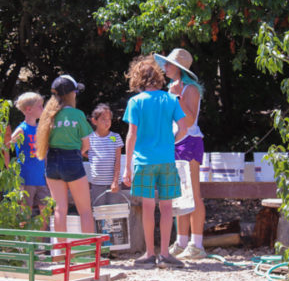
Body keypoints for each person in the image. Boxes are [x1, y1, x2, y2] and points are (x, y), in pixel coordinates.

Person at [122, 55, 188, 269]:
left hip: (144, 161)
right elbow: (184, 128)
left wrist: (127, 166)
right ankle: (166, 254)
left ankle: (149, 254)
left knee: (149, 208)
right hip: (167, 160)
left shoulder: (135, 102)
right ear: (159, 77)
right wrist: (171, 141)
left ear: (138, 78)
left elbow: (131, 135)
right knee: (167, 208)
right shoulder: (171, 99)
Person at [154, 48, 206, 259]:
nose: (164, 67)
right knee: (179, 195)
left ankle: (197, 244)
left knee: (193, 193)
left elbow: (191, 120)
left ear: (179, 68)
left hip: (190, 141)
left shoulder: (190, 89)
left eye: (168, 64)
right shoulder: (172, 89)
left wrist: (178, 97)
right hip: (176, 142)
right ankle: (182, 241)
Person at [35, 75, 95, 236]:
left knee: (60, 209)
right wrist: (80, 152)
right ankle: (87, 252)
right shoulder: (77, 115)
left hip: (52, 162)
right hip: (72, 160)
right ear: (71, 94)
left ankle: (60, 253)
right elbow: (86, 144)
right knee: (85, 210)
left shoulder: (48, 116)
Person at [11, 92, 50, 230]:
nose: (43, 109)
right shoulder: (22, 129)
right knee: (25, 211)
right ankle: (25, 243)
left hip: (40, 177)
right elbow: (8, 143)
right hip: (26, 178)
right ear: (29, 109)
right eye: (40, 106)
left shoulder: (40, 128)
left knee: (46, 210)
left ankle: (42, 243)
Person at [84, 103, 124, 206]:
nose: (107, 122)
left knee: (113, 212)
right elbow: (81, 152)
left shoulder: (114, 137)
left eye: (109, 119)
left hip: (113, 183)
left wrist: (115, 181)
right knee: (98, 211)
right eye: (103, 119)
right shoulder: (90, 138)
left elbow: (117, 160)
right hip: (97, 183)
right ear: (94, 121)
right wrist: (92, 157)